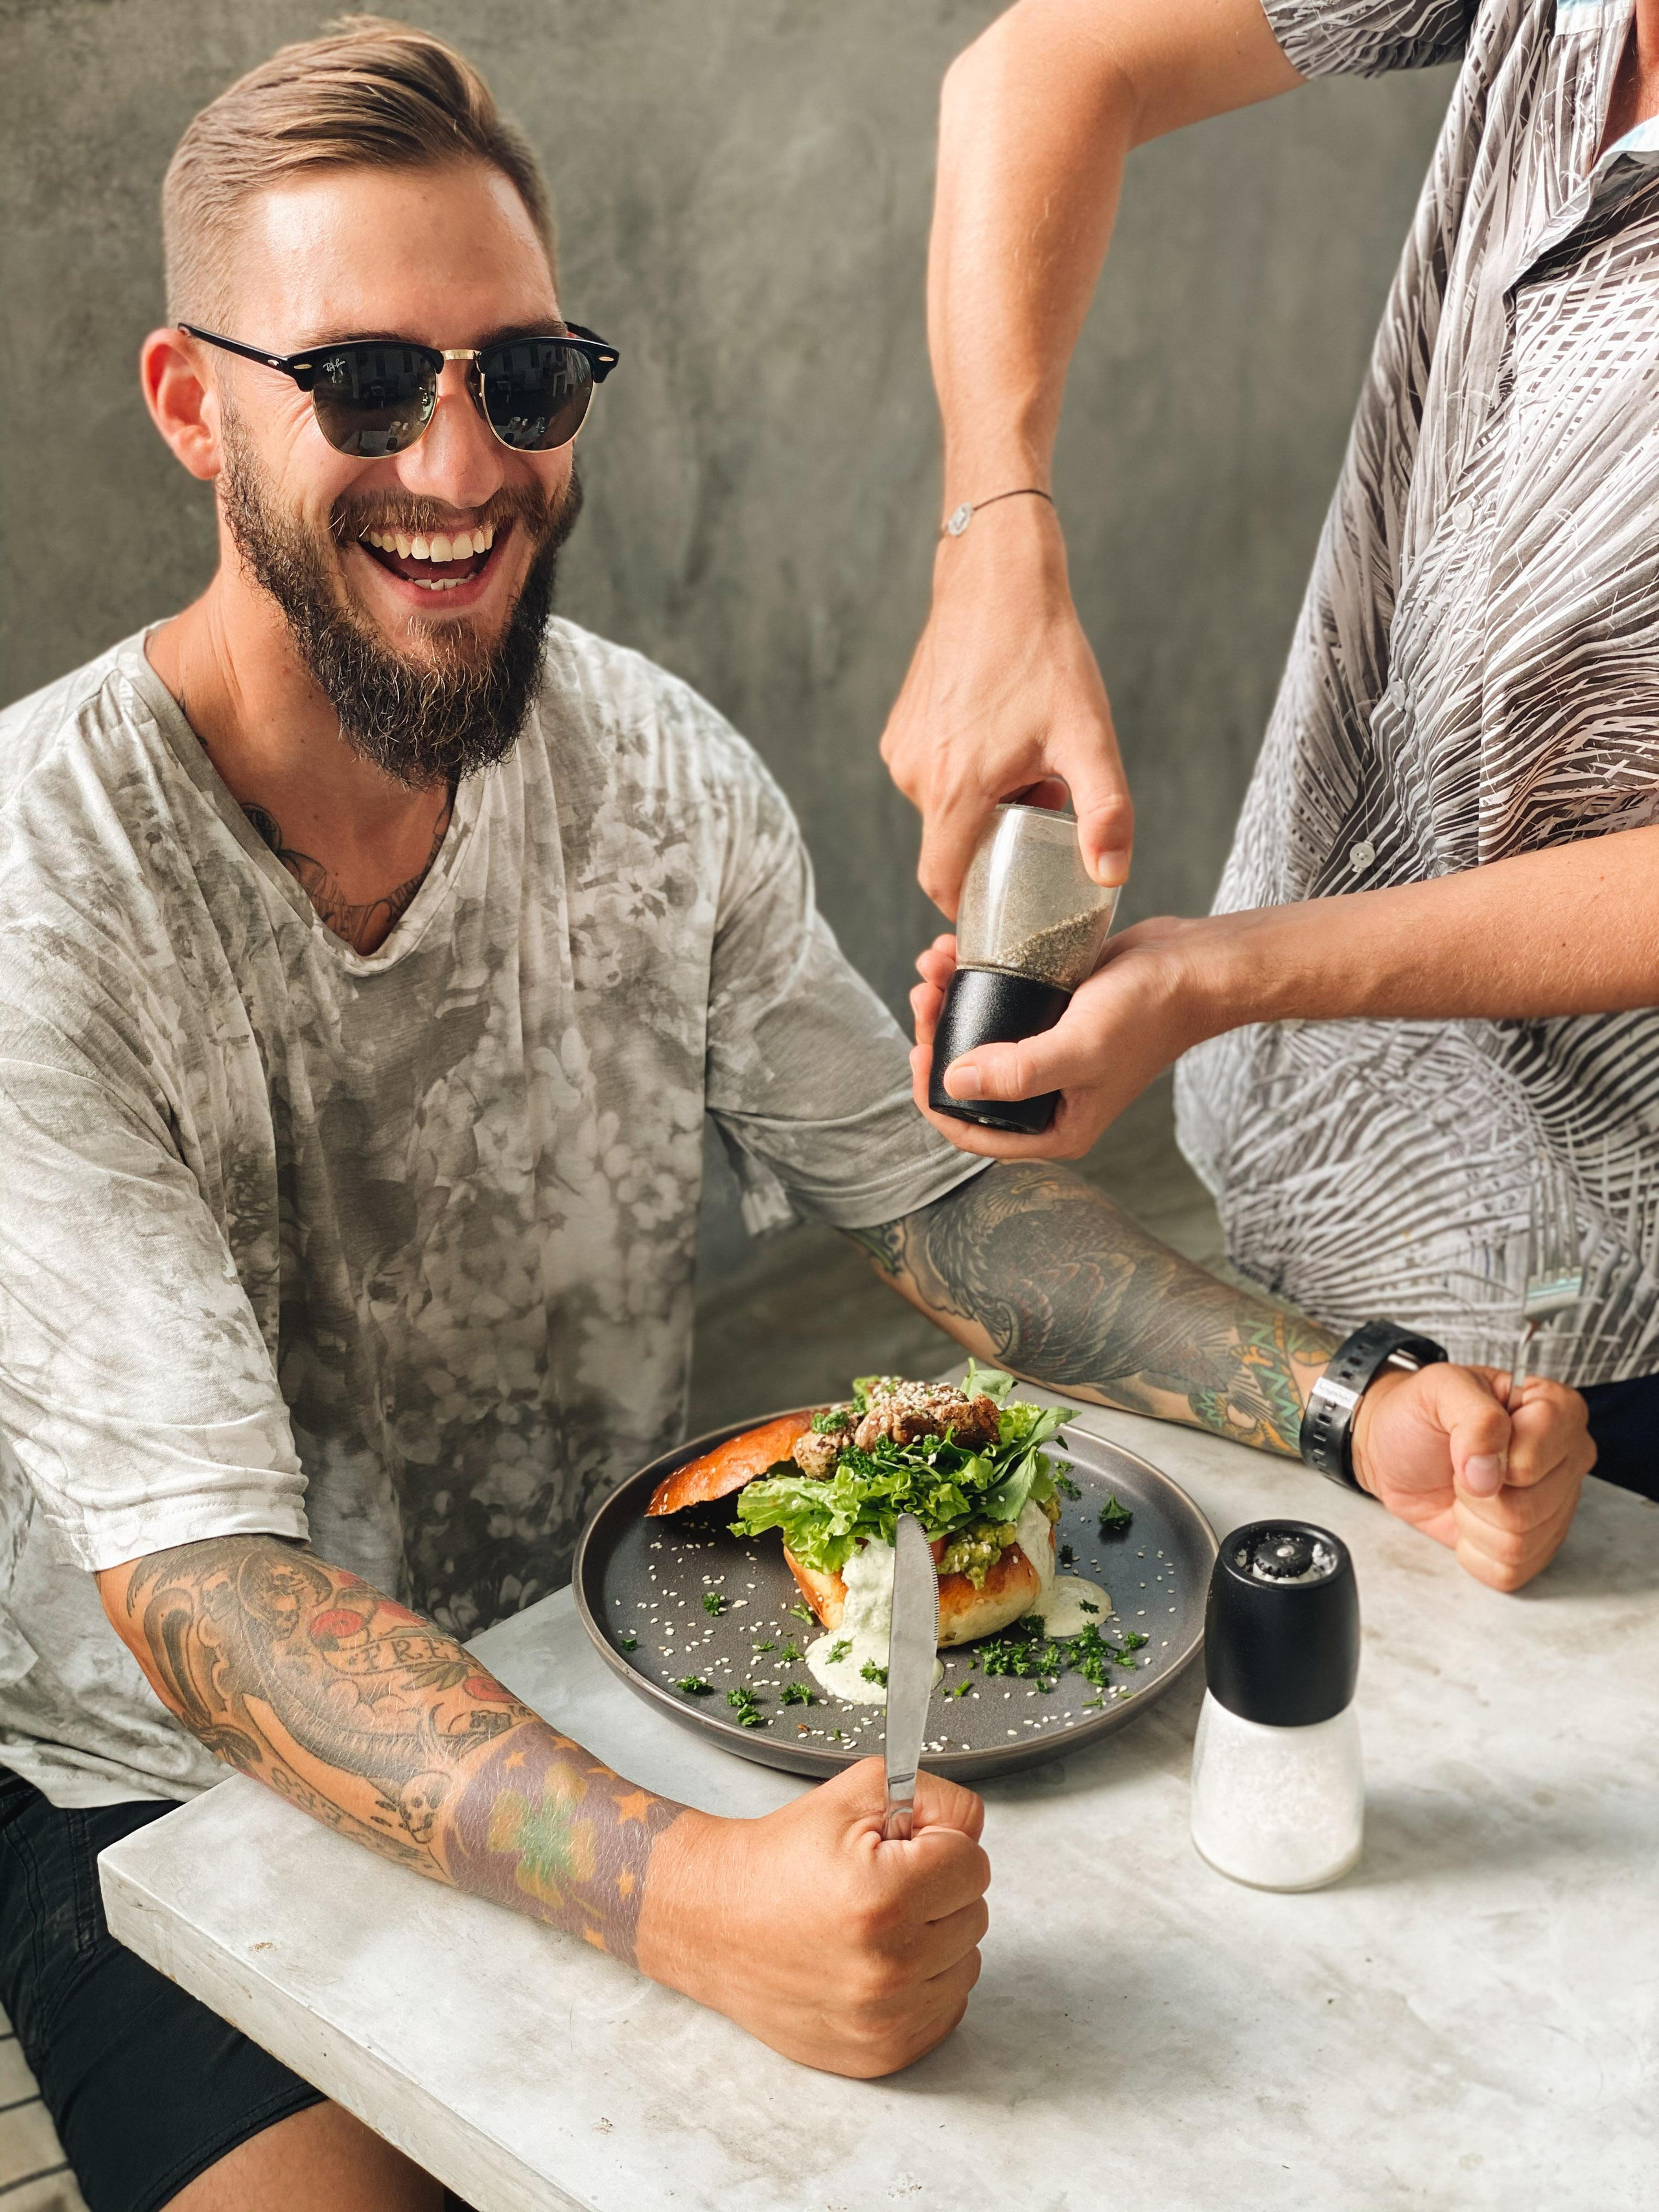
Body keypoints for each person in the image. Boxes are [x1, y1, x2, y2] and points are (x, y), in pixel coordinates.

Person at [0, 19, 1592, 2211]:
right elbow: (201, 1592)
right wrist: (688, 1907)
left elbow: (943, 1219)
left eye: (523, 380)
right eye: (363, 385)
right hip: (167, 1794)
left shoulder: (654, 765)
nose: (460, 466)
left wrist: (1363, 1402)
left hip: (642, 1673)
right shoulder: (38, 879)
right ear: (195, 407)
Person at [881, 0, 1659, 1498]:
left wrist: (1216, 976)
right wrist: (994, 546)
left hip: (1603, 1287)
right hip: (1304, 1159)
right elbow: (1043, 63)